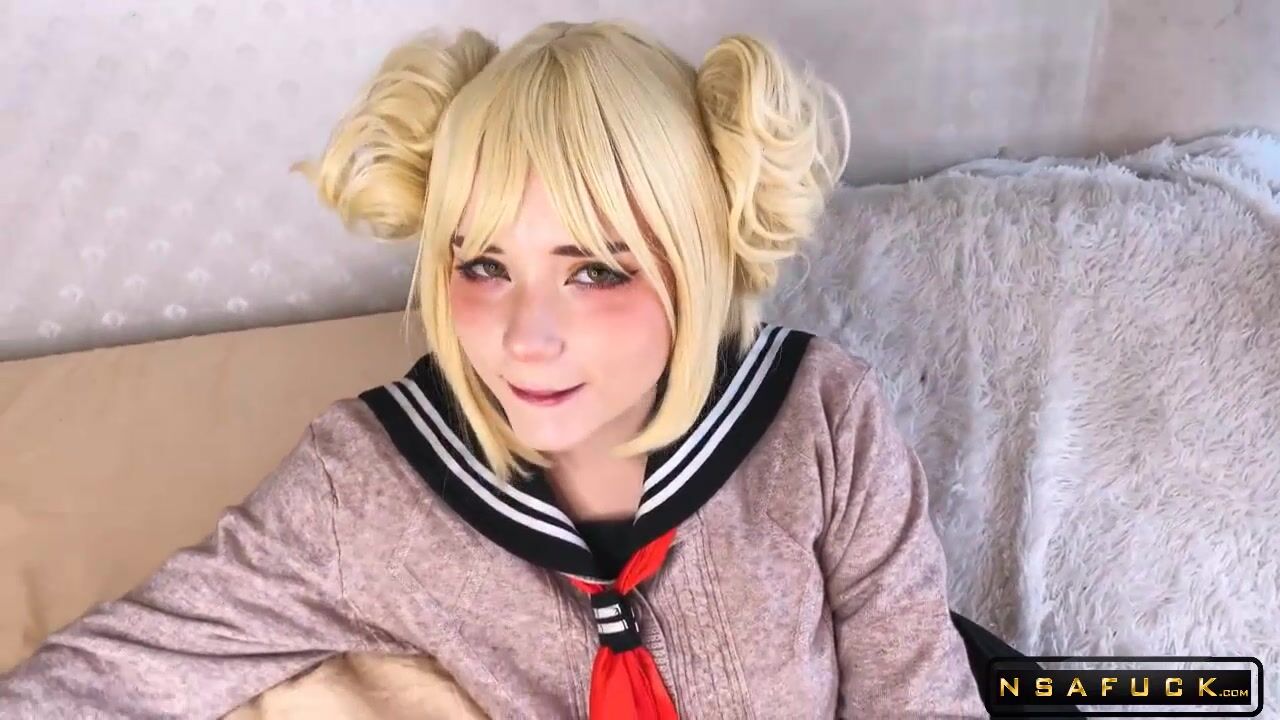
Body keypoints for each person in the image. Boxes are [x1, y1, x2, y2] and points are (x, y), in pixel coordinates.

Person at [0, 19, 1022, 719]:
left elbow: (917, 697)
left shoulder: (820, 419)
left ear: (699, 261)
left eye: (597, 269)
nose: (526, 336)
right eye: (483, 265)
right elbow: (122, 674)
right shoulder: (367, 486)